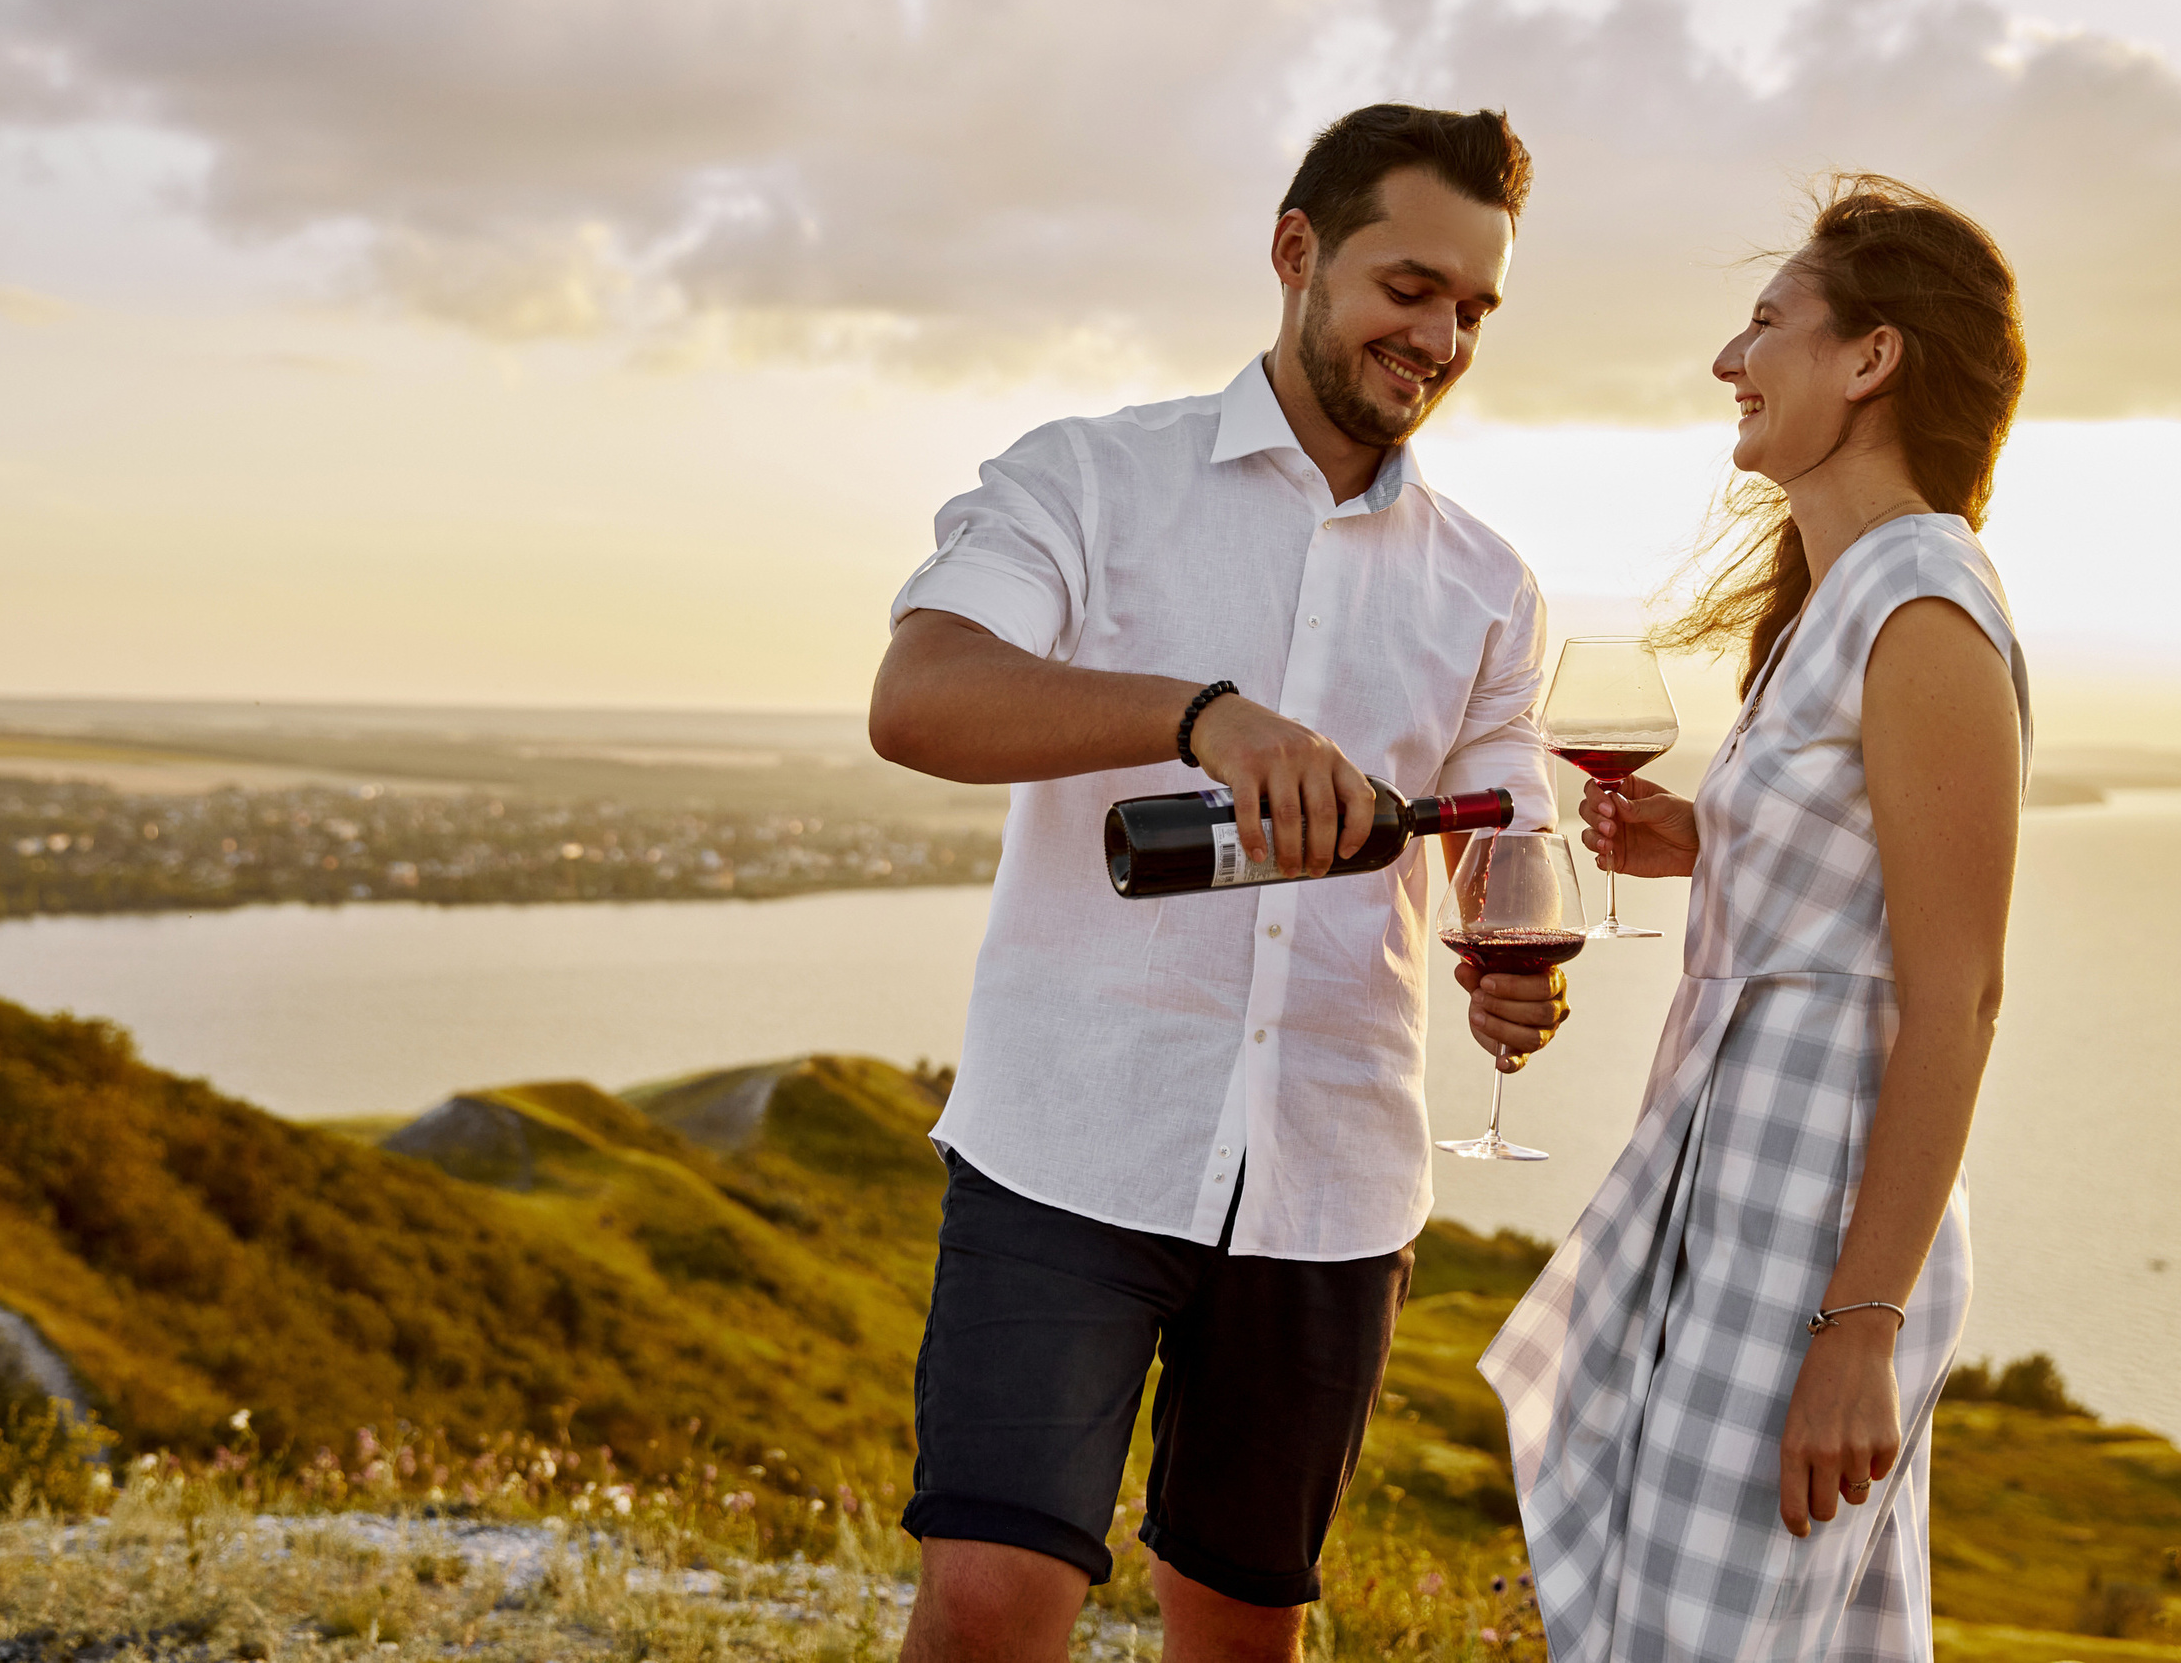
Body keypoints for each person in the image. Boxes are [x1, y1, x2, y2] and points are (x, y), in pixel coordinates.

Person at [866, 104, 1569, 1662]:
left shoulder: (1491, 584)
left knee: (1246, 1635)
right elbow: (919, 698)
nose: (1443, 336)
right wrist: (1200, 715)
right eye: (1411, 288)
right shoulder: (1089, 478)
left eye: (1475, 309)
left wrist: (1512, 964)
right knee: (988, 1612)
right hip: (1071, 1148)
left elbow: (1499, 838)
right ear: (1295, 252)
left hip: (1333, 1179)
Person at [1481, 175, 2031, 1662]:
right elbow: (1842, 884)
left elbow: (1955, 997)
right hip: (1742, 1200)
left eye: (1766, 323)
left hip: (1815, 1234)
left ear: (1872, 360)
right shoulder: (1838, 607)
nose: (1731, 361)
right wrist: (1702, 840)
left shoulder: (1922, 609)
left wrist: (1861, 1330)